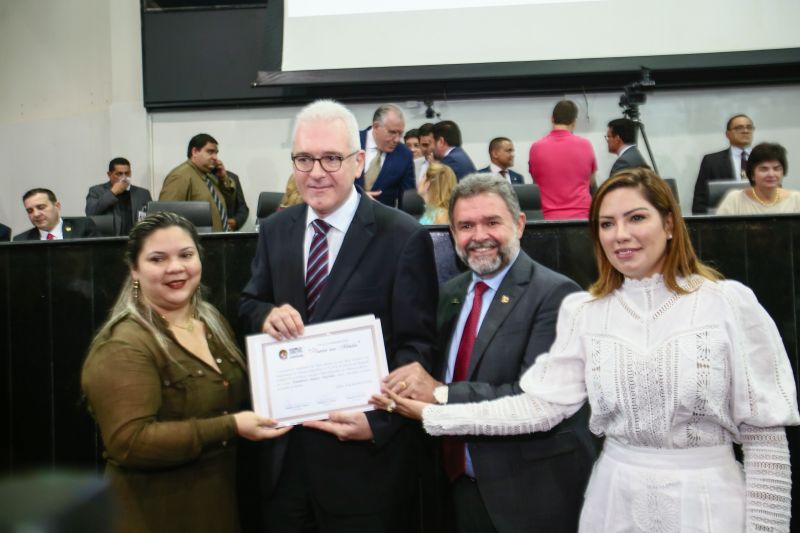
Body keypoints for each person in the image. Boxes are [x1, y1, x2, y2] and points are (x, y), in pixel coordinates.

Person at [376, 168, 799, 533]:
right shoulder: (587, 312)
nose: (622, 235)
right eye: (607, 223)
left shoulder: (727, 303)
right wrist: (434, 413)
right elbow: (538, 407)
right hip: (614, 501)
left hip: (708, 503)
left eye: (637, 218)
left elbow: (766, 442)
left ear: (669, 223)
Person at [239, 99, 438, 532]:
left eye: (331, 158)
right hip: (285, 460)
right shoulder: (276, 230)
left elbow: (417, 348)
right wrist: (266, 315)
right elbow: (249, 303)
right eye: (304, 159)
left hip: (363, 466)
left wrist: (380, 423)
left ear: (358, 161)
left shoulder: (402, 237)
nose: (316, 172)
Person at [385, 173, 595, 532]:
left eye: (492, 222)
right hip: (458, 487)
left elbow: (532, 398)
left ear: (520, 224)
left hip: (530, 496)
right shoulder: (450, 293)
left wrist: (438, 393)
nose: (478, 236)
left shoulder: (558, 295)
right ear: (452, 235)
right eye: (465, 225)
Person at [81, 212, 289, 533]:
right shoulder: (123, 344)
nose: (175, 268)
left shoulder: (211, 321)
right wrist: (231, 426)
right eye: (157, 259)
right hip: (153, 514)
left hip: (216, 506)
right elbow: (130, 443)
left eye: (186, 255)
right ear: (134, 269)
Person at [528, 100, 598, 219]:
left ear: (552, 118)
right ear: (574, 122)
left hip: (549, 219)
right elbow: (591, 182)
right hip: (582, 218)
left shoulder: (536, 148)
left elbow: (536, 182)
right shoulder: (585, 145)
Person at [159, 133, 238, 232]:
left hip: (217, 241)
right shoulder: (180, 176)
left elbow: (230, 204)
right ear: (195, 151)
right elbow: (167, 217)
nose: (215, 157)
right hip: (197, 243)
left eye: (216, 153)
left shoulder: (209, 177)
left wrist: (223, 178)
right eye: (210, 152)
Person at [692, 114, 755, 214]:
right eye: (739, 128)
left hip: (759, 215)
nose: (745, 131)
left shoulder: (765, 159)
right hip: (724, 218)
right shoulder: (712, 161)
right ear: (727, 134)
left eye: (749, 127)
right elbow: (700, 199)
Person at [355, 103, 416, 207]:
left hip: (382, 220)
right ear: (376, 126)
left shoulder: (404, 155)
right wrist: (356, 197)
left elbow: (407, 200)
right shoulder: (350, 142)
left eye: (400, 134)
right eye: (392, 132)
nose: (397, 139)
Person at [716, 142, 800, 215]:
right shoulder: (735, 199)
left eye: (776, 169)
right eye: (764, 169)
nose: (771, 174)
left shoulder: (796, 199)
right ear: (752, 174)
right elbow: (717, 231)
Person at [85, 157, 153, 236]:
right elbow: (90, 212)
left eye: (127, 173)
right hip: (109, 242)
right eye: (119, 174)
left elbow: (151, 219)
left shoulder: (142, 193)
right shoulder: (97, 191)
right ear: (109, 175)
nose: (124, 178)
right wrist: (112, 192)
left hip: (135, 241)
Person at [14, 188, 98, 241]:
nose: (36, 214)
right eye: (30, 211)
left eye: (41, 207)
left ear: (57, 206)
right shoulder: (21, 240)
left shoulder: (83, 227)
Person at [211, 159, 250, 231]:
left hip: (228, 233)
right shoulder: (199, 178)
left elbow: (242, 207)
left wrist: (236, 221)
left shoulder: (232, 178)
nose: (214, 157)